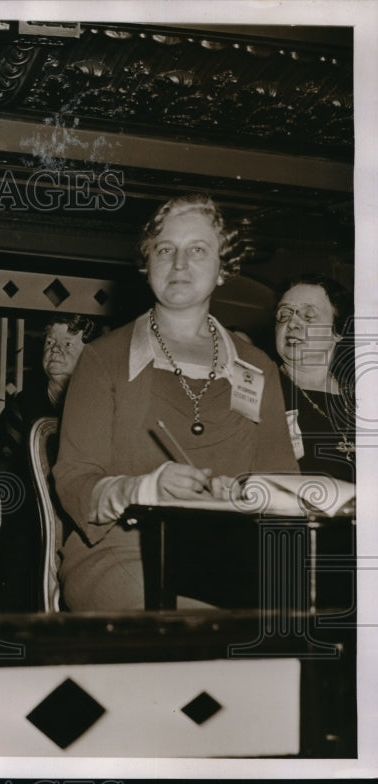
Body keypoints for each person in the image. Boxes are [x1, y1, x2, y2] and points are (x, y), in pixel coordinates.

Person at [52, 194, 299, 611]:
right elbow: (75, 479)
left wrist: (240, 491)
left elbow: (282, 479)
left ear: (224, 268)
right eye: (165, 250)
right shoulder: (103, 359)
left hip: (231, 556)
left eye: (197, 250)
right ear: (147, 265)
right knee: (205, 624)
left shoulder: (258, 368)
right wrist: (146, 488)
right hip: (123, 551)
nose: (179, 264)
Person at [0, 314, 98, 612]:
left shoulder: (100, 403)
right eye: (50, 342)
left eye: (67, 343)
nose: (56, 349)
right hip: (31, 509)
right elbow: (2, 464)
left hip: (85, 507)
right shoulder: (25, 403)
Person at [274, 273, 355, 483]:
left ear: (338, 332)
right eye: (283, 315)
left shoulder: (362, 396)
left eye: (308, 316)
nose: (292, 324)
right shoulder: (262, 389)